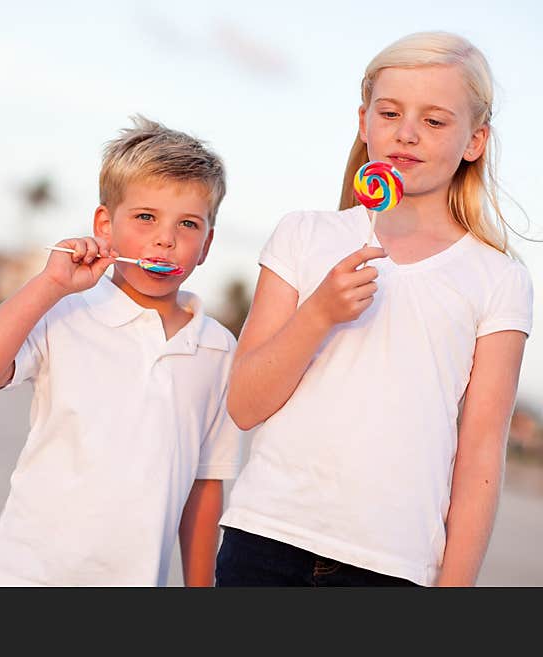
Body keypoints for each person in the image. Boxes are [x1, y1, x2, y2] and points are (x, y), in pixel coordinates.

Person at [218, 31, 534, 587]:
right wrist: (318, 313)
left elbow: (481, 454)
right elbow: (244, 404)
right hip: (265, 540)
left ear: (474, 140)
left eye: (435, 121)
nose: (406, 133)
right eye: (390, 113)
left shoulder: (497, 278)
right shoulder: (304, 235)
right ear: (364, 123)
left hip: (393, 568)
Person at [0, 116, 243, 586]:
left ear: (206, 244)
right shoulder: (66, 312)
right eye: (146, 218)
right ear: (105, 225)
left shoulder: (218, 349)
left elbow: (205, 486)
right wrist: (49, 286)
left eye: (188, 224)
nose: (166, 238)